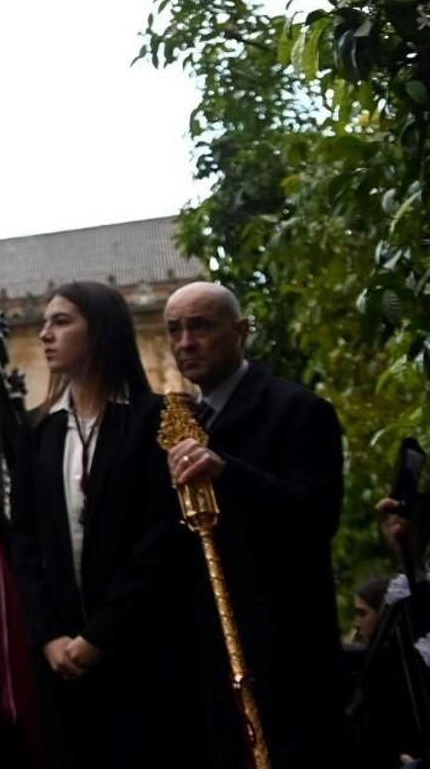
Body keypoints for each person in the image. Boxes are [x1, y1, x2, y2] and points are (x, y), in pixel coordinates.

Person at [9, 281, 199, 768]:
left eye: (61, 322)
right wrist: (48, 635)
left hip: (142, 656)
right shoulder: (37, 430)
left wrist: (98, 636)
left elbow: (161, 539)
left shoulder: (158, 420)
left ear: (100, 332)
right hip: (60, 663)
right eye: (44, 323)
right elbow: (24, 541)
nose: (45, 334)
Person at [163, 281, 344, 769]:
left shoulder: (299, 410)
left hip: (288, 656)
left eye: (201, 327)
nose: (185, 343)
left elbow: (316, 516)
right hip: (212, 655)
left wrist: (228, 471)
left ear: (241, 332)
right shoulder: (182, 424)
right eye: (175, 330)